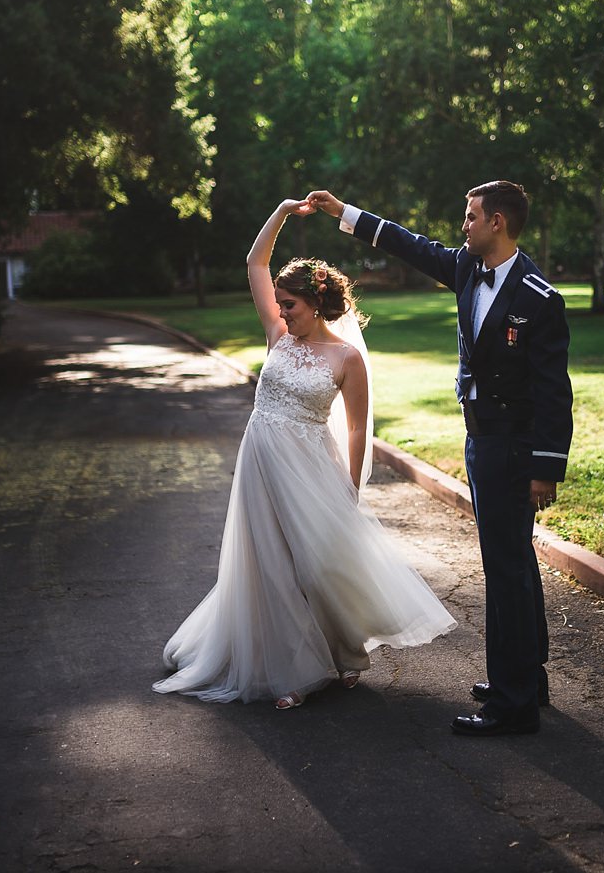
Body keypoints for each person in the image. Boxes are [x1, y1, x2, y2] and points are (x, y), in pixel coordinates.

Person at [152, 198, 456, 710]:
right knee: (270, 567)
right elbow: (255, 262)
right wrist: (280, 213)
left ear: (315, 304)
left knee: (318, 568)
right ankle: (293, 670)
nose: (281, 311)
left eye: (289, 304)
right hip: (260, 461)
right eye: (279, 303)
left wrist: (352, 484)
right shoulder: (277, 337)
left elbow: (358, 426)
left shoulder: (347, 358)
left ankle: (348, 652)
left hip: (312, 468)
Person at [305, 181, 573, 737]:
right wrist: (346, 213)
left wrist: (546, 467)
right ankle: (529, 678)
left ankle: (511, 704)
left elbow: (553, 391)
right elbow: (408, 244)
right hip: (481, 441)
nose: (463, 226)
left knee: (504, 572)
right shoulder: (467, 270)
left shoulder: (538, 298)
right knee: (515, 562)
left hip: (514, 448)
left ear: (497, 222)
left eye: (471, 216)